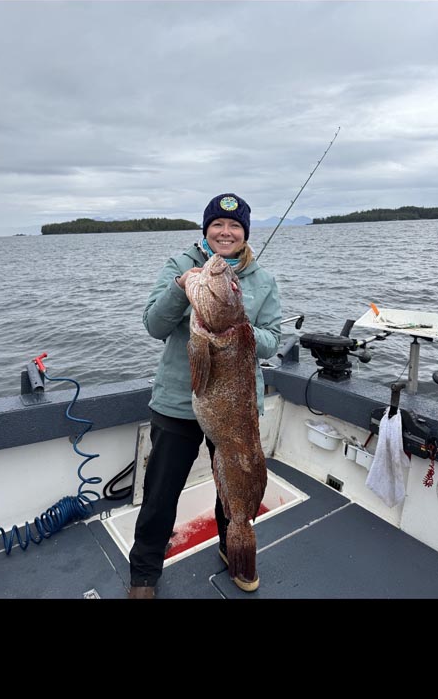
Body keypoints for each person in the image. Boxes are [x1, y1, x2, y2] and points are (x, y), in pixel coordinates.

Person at [129, 193, 282, 598]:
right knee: (161, 492)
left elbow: (273, 339)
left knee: (233, 485)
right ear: (206, 229)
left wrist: (240, 327)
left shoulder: (264, 281)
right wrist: (181, 289)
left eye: (235, 226)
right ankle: (143, 573)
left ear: (245, 233)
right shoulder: (181, 266)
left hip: (235, 407)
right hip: (178, 403)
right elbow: (154, 325)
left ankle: (235, 547)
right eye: (217, 224)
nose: (225, 233)